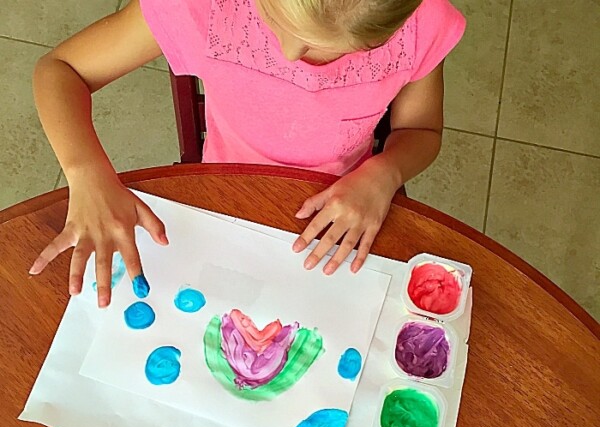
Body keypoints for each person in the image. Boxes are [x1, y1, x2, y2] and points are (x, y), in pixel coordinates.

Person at [29, 0, 466, 307]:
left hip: (347, 208)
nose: (292, 55)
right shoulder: (200, 6)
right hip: (225, 196)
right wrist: (88, 174)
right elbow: (60, 71)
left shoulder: (422, 23)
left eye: (323, 46)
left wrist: (386, 171)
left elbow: (420, 129)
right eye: (274, 17)